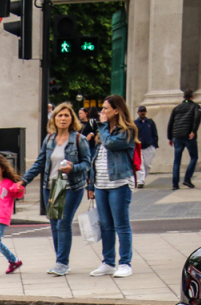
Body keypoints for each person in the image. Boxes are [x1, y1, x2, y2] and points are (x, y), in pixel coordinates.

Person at [22, 102, 91, 276]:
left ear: (71, 119)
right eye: (60, 115)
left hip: (71, 187)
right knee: (54, 225)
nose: (63, 118)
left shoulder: (78, 139)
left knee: (63, 222)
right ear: (54, 118)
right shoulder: (50, 139)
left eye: (66, 115)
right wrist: (23, 181)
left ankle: (62, 263)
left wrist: (72, 168)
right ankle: (60, 260)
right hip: (53, 186)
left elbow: (87, 164)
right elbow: (39, 163)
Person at [87, 95, 138, 278]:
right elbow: (96, 158)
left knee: (121, 224)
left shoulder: (127, 131)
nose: (102, 112)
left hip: (119, 183)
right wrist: (91, 185)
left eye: (105, 109)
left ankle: (125, 263)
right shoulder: (104, 131)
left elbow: (110, 144)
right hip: (101, 184)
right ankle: (108, 262)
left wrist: (101, 126)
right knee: (106, 225)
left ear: (116, 110)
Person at [167, 88, 201, 190]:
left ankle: (175, 183)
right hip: (188, 135)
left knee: (177, 160)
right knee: (194, 157)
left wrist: (170, 137)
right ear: (192, 96)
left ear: (183, 97)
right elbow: (197, 118)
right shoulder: (195, 106)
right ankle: (187, 179)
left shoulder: (177, 108)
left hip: (177, 135)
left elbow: (171, 122)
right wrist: (193, 131)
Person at [134, 105, 158, 187]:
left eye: (144, 111)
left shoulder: (150, 122)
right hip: (139, 147)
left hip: (149, 147)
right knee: (140, 165)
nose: (142, 113)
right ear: (138, 113)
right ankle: (140, 181)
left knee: (147, 165)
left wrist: (154, 144)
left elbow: (155, 133)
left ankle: (142, 178)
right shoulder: (135, 123)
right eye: (141, 111)